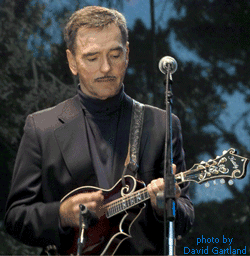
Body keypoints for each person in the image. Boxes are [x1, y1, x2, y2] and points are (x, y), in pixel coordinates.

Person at [5, 5, 194, 255]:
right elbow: (16, 217)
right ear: (72, 61)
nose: (105, 68)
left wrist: (164, 207)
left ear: (127, 53)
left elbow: (185, 216)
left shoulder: (162, 124)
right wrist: (61, 215)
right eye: (92, 58)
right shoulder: (41, 127)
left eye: (115, 55)